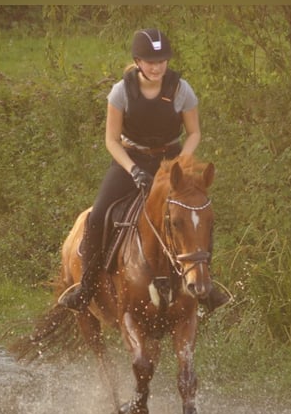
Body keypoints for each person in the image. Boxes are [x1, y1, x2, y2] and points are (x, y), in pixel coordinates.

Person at [59, 28, 229, 313]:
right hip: (130, 161)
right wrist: (133, 169)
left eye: (161, 61)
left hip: (171, 163)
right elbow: (111, 141)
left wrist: (180, 164)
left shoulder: (180, 89)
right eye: (150, 61)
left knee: (195, 214)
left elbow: (194, 133)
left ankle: (205, 285)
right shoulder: (121, 91)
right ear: (137, 61)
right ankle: (86, 287)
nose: (156, 67)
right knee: (98, 215)